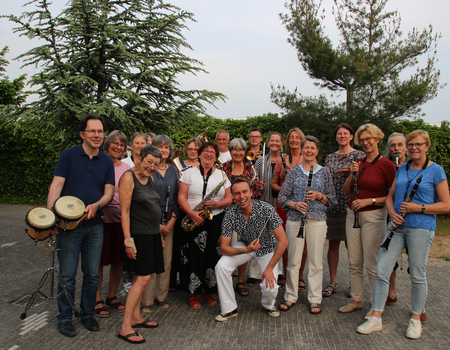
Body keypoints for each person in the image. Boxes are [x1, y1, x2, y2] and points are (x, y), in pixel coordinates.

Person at [356, 130, 449, 339]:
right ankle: (376, 317)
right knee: (382, 270)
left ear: (427, 146)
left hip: (421, 227)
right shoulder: (403, 168)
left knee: (417, 274)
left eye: (419, 144)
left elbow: (446, 205)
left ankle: (416, 318)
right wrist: (391, 212)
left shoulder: (436, 171)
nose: (414, 148)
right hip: (396, 226)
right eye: (411, 144)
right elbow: (390, 197)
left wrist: (419, 208)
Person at [46, 114, 114, 337]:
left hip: (95, 225)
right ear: (82, 134)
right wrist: (51, 218)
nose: (97, 135)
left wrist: (96, 205)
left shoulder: (105, 160)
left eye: (100, 131)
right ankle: (64, 318)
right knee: (67, 274)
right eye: (93, 131)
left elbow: (109, 192)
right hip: (68, 226)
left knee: (92, 274)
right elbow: (56, 186)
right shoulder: (68, 155)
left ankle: (87, 314)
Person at [339, 124, 396, 314]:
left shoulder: (387, 165)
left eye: (368, 139)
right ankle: (356, 299)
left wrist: (368, 201)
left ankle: (376, 305)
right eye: (362, 140)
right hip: (352, 215)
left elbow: (392, 197)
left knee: (372, 263)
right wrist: (352, 174)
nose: (365, 143)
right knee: (354, 261)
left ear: (378, 140)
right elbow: (346, 191)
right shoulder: (359, 163)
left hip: (374, 215)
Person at [278, 135, 336, 314]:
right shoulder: (294, 171)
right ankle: (290, 296)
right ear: (302, 150)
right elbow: (282, 198)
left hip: (317, 221)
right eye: (306, 148)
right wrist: (294, 204)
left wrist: (320, 196)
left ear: (317, 151)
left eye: (312, 148)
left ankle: (315, 298)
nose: (309, 151)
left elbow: (332, 200)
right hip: (296, 220)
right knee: (294, 260)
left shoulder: (324, 172)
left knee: (316, 261)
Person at [214, 178, 288, 321]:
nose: (242, 197)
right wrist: (245, 250)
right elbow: (224, 248)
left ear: (251, 192)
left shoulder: (266, 209)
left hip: (267, 248)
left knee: (270, 286)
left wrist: (269, 268)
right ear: (233, 197)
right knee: (221, 266)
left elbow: (283, 241)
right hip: (246, 245)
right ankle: (229, 308)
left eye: (244, 192)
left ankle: (269, 305)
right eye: (237, 193)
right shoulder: (230, 215)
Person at [118, 145, 164, 344]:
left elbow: (153, 206)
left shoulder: (150, 178)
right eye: (149, 162)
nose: (152, 167)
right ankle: (125, 327)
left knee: (143, 278)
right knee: (142, 280)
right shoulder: (129, 177)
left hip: (152, 233)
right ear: (139, 159)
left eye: (156, 164)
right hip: (139, 235)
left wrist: (159, 233)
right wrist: (128, 241)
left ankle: (136, 318)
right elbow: (125, 212)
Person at [177, 141, 232, 309]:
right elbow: (181, 197)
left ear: (216, 157)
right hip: (194, 218)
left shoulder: (222, 175)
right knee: (193, 256)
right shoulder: (188, 173)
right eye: (205, 151)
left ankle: (208, 292)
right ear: (199, 154)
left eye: (212, 152)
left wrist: (217, 204)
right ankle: (192, 293)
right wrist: (192, 214)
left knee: (212, 256)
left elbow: (230, 198)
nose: (208, 154)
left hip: (215, 220)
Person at [322, 124, 364, 298]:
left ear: (351, 136)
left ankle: (353, 284)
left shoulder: (359, 155)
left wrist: (349, 171)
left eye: (345, 133)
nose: (342, 136)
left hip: (351, 205)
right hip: (332, 205)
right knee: (333, 244)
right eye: (339, 134)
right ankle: (333, 281)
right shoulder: (330, 157)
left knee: (352, 246)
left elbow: (363, 177)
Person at [141, 135, 180, 311]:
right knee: (150, 260)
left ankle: (161, 296)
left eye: (166, 147)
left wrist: (172, 220)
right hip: (150, 223)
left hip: (168, 222)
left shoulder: (173, 170)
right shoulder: (148, 169)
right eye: (160, 146)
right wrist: (156, 224)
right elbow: (144, 199)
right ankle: (147, 299)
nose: (163, 150)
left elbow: (178, 198)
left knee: (166, 260)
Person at [95, 130, 131, 318]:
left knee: (118, 260)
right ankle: (97, 299)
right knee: (99, 261)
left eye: (121, 144)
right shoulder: (98, 162)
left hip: (121, 221)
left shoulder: (126, 167)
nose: (118, 147)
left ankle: (112, 296)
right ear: (107, 143)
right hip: (101, 220)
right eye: (114, 143)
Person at [222, 138, 264, 296]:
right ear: (230, 151)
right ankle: (224, 279)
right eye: (234, 149)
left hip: (245, 214)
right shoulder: (223, 167)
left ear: (244, 152)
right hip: (226, 213)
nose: (237, 153)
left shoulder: (251, 168)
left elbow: (257, 192)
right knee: (225, 247)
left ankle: (240, 280)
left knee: (243, 245)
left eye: (241, 150)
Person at [271, 127, 307, 291]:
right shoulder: (281, 160)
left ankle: (299, 275)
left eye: (297, 137)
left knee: (302, 241)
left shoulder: (308, 158)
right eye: (291, 137)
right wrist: (285, 192)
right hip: (284, 206)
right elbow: (274, 183)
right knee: (284, 241)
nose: (294, 140)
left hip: (302, 206)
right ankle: (285, 274)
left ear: (301, 139)